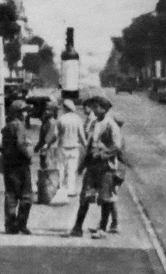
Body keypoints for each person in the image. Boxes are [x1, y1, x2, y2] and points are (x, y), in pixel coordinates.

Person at [70, 96, 122, 239]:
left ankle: (103, 229)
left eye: (97, 107)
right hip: (92, 167)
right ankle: (77, 227)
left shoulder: (111, 125)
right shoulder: (94, 123)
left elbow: (117, 146)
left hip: (106, 167)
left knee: (105, 198)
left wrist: (102, 154)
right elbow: (89, 145)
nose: (94, 109)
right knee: (85, 196)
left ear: (104, 109)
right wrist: (82, 165)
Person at [0, 99, 34, 234]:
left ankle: (10, 225)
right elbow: (20, 143)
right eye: (24, 111)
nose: (26, 114)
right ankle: (21, 223)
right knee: (26, 196)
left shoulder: (7, 127)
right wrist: (28, 154)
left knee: (11, 195)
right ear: (19, 113)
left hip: (9, 165)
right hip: (21, 165)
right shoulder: (19, 125)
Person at [56, 99, 86, 199]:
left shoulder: (61, 119)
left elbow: (56, 134)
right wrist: (86, 146)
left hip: (63, 146)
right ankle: (71, 189)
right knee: (72, 169)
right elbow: (81, 135)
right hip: (74, 147)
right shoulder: (78, 119)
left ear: (65, 108)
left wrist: (50, 144)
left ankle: (60, 187)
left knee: (61, 168)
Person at [34, 102, 61, 204]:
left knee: (48, 169)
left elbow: (48, 139)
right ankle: (47, 189)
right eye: (46, 109)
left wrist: (43, 147)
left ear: (54, 112)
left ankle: (49, 191)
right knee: (45, 168)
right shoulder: (46, 122)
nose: (46, 111)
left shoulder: (52, 122)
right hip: (45, 148)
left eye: (49, 110)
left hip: (49, 149)